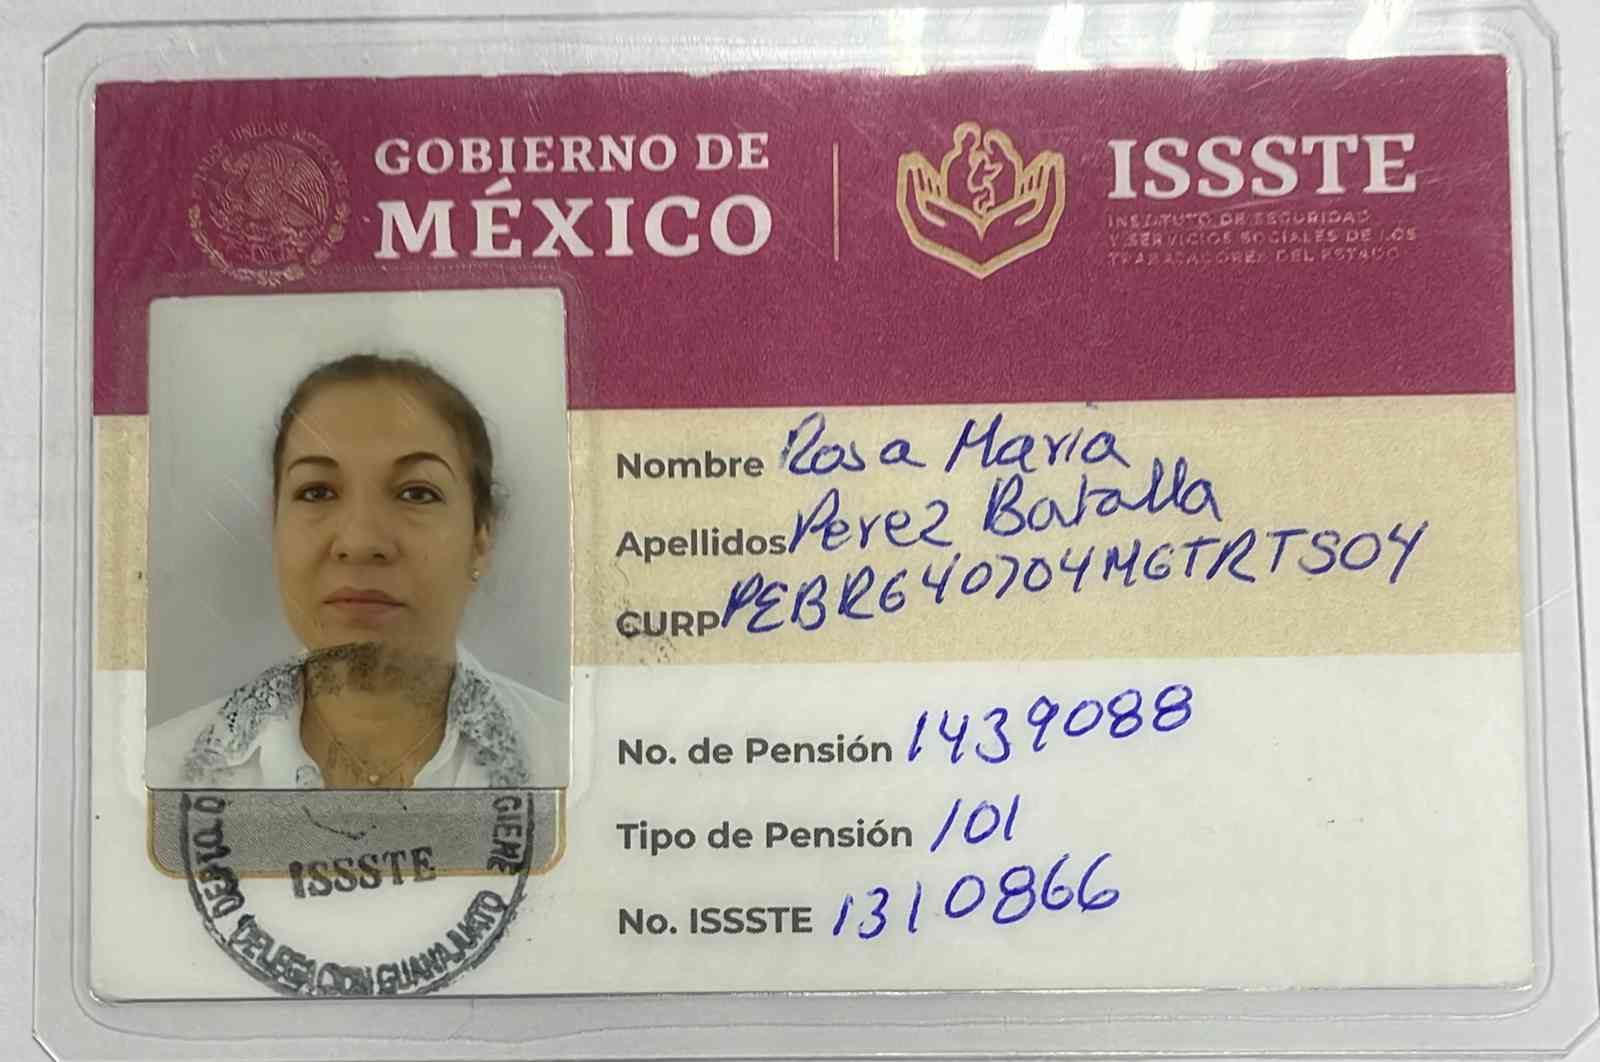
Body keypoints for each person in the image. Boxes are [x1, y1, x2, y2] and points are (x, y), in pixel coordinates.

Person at [145, 354, 566, 789]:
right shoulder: (164, 774)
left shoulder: (567, 761)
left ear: (480, 539)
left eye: (417, 493)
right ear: (276, 527)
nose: (361, 541)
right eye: (317, 492)